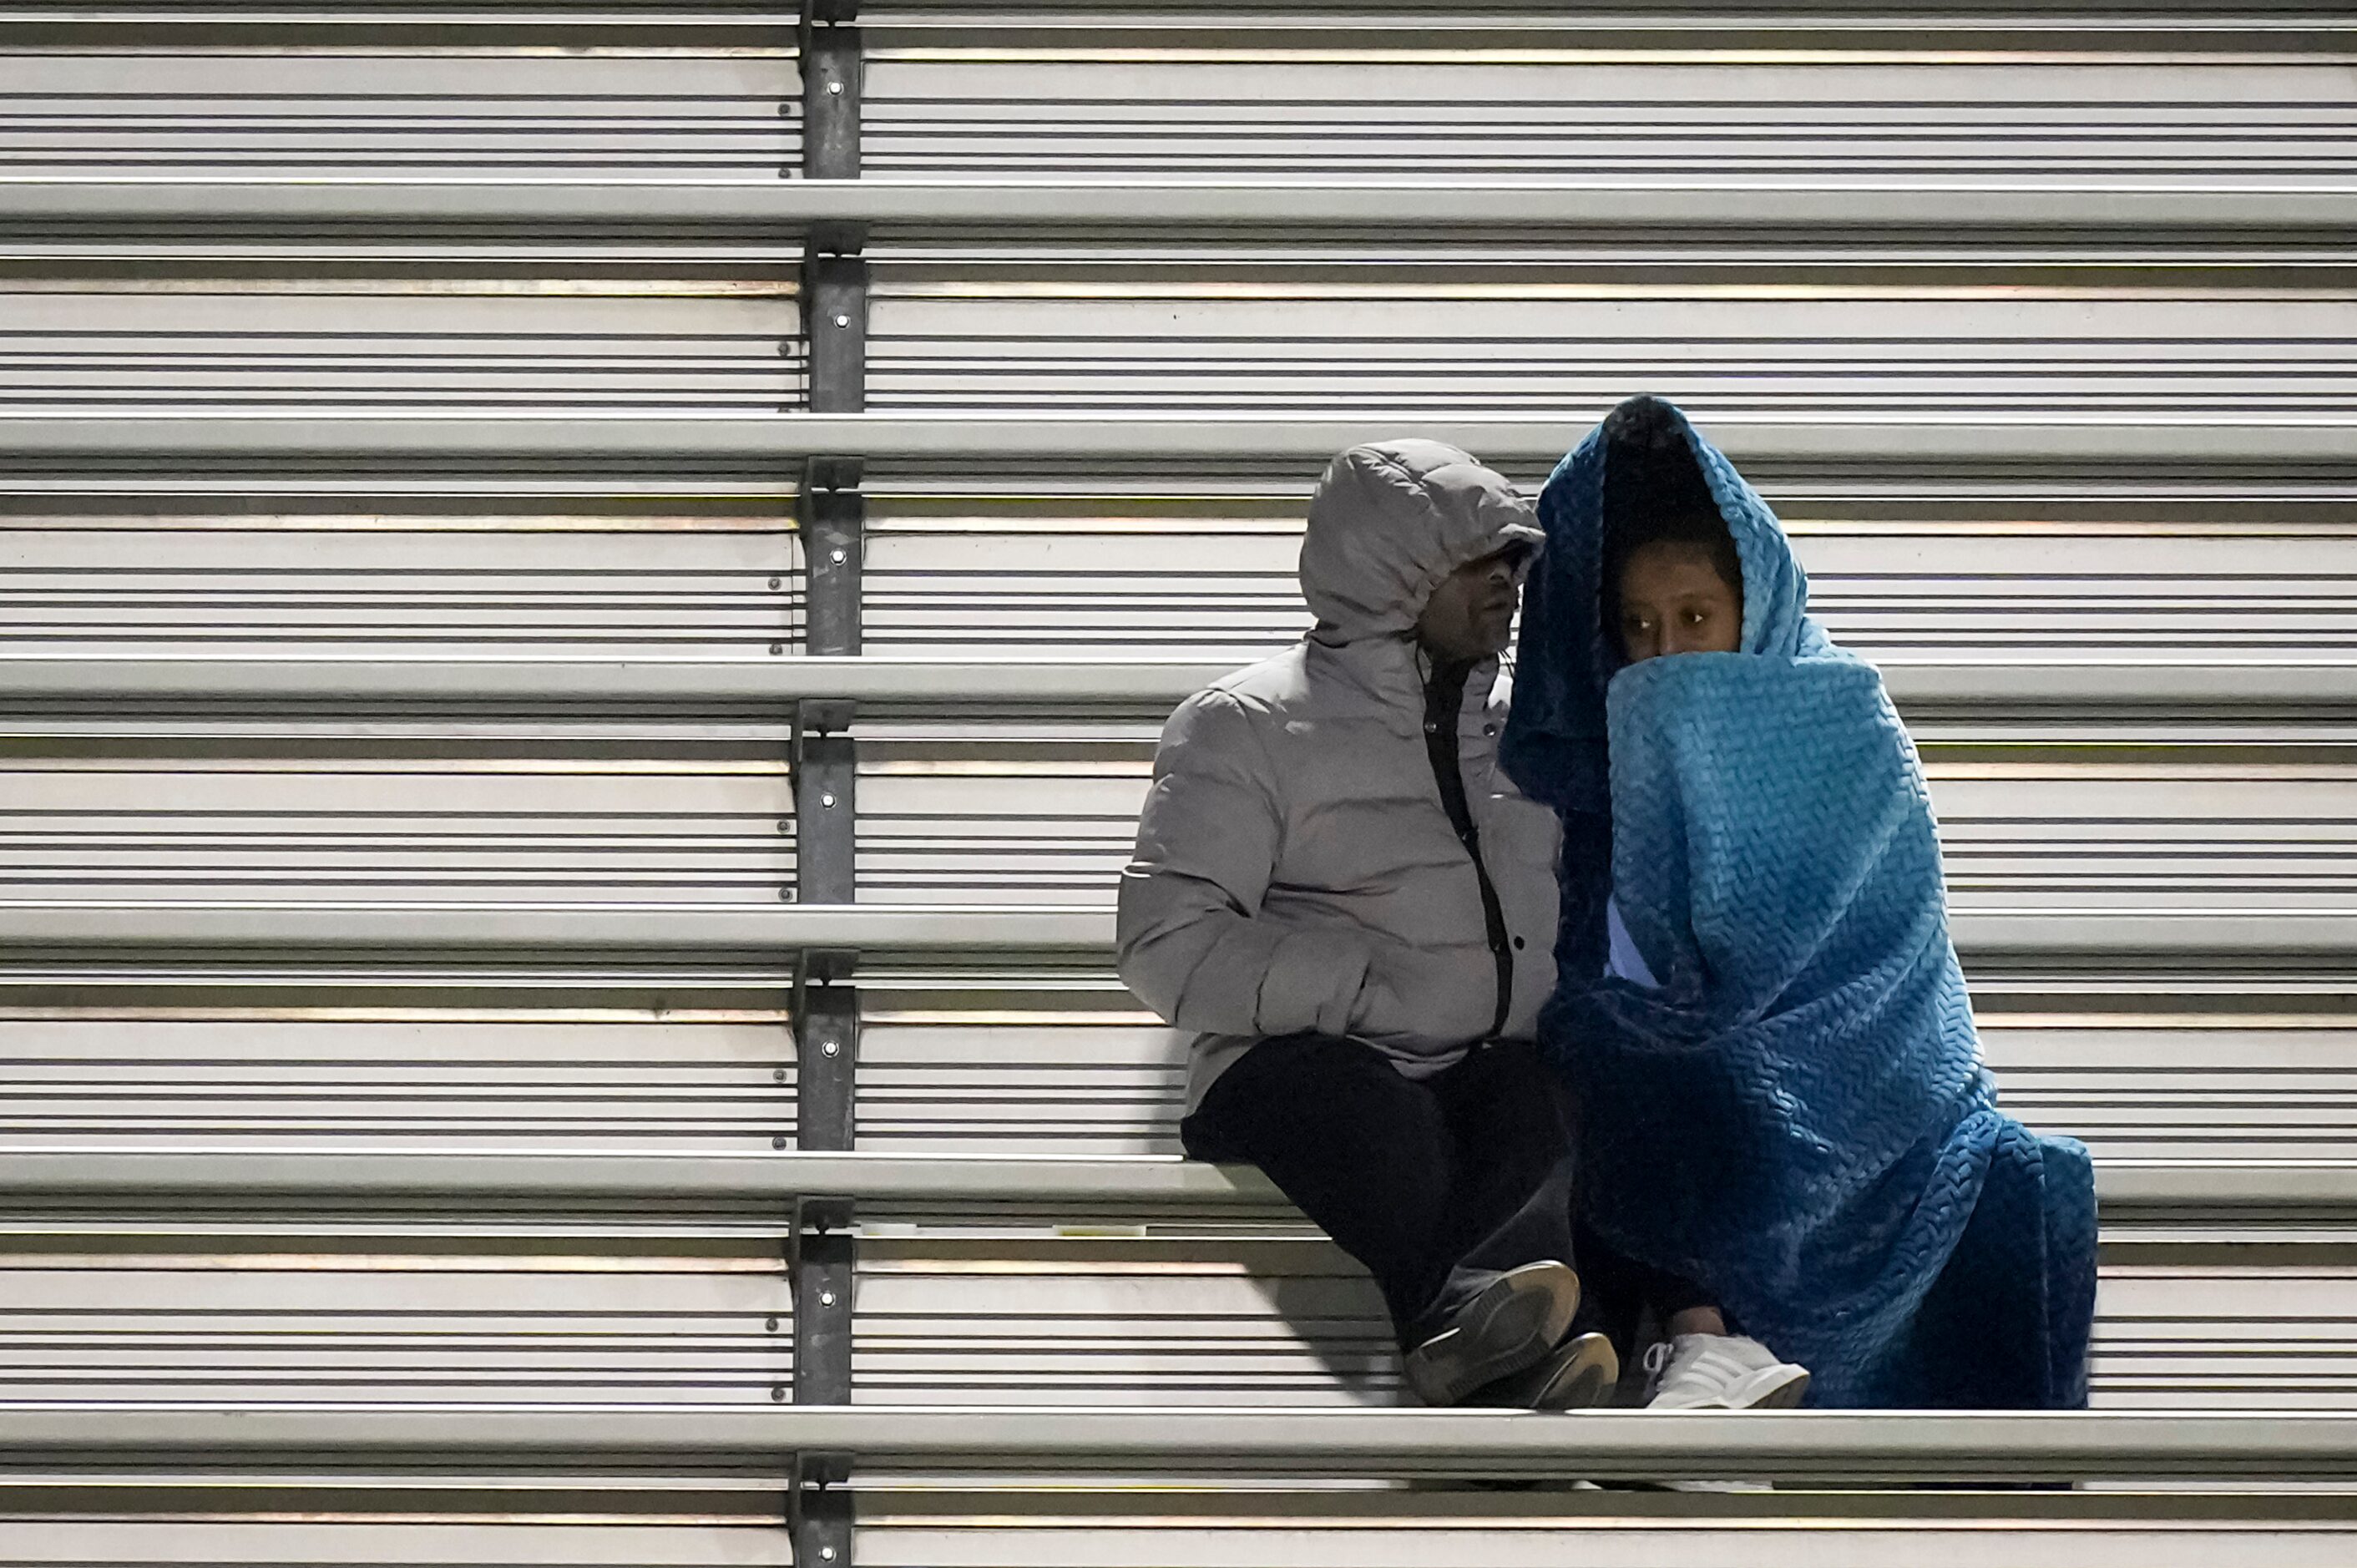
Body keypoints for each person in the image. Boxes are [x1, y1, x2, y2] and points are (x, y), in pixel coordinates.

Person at [1116, 438, 1800, 1411]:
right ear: (1394, 573)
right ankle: (1472, 1318)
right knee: (1372, 1107)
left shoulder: (1526, 737)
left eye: (1518, 563)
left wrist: (1660, 1003)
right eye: (1482, 562)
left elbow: (1587, 911)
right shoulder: (1243, 725)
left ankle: (1505, 1353)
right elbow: (1165, 942)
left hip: (1480, 1067)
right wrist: (1368, 989)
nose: (1509, 587)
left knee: (1543, 1093)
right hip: (1303, 1072)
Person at [1503, 396, 2099, 1408]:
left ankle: (1708, 1344)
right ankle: (1697, 1342)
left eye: (1696, 619)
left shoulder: (1841, 721)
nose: (1668, 654)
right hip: (1691, 1067)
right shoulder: (1604, 770)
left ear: (1754, 603)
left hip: (1873, 1069)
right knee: (1595, 1062)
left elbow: (1876, 935)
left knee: (1685, 1077)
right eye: (1640, 629)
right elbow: (1603, 952)